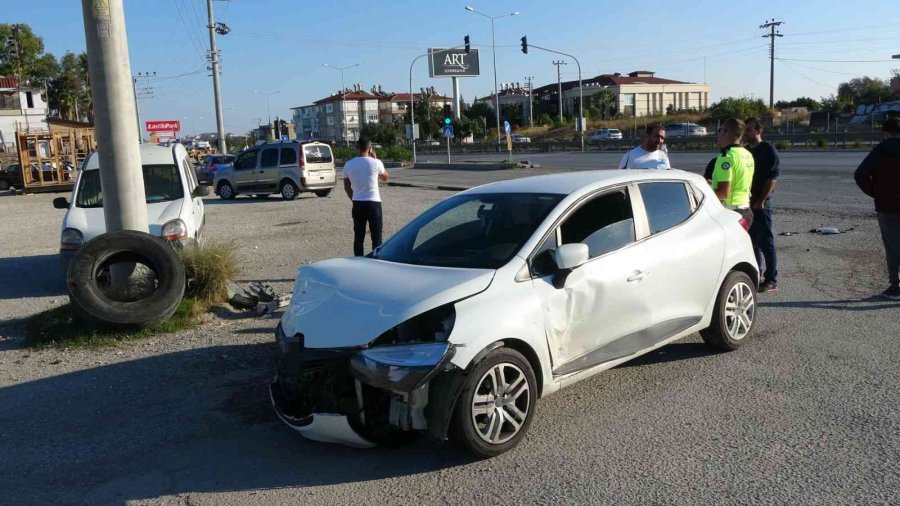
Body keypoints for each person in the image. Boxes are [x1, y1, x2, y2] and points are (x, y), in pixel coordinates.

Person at [854, 118, 900, 300]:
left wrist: (876, 192)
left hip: (887, 205)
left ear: (886, 132)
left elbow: (860, 174)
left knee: (892, 247)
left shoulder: (881, 150)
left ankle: (896, 286)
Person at [744, 117, 781, 292]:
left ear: (758, 131)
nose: (746, 133)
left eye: (749, 130)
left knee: (766, 241)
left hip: (762, 203)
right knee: (752, 241)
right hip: (748, 203)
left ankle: (771, 278)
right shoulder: (745, 151)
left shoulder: (767, 150)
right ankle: (756, 275)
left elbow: (772, 178)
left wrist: (761, 200)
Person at [343, 137, 389, 257]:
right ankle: (376, 261)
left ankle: (359, 263)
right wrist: (375, 158)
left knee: (358, 236)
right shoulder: (376, 163)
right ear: (370, 149)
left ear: (357, 148)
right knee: (376, 236)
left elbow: (347, 187)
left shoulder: (349, 164)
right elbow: (385, 177)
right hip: (374, 203)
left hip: (358, 203)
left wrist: (354, 198)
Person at [710, 118, 755, 228]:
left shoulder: (726, 157)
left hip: (732, 212)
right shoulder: (747, 154)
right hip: (746, 210)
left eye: (719, 130)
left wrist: (705, 192)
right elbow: (741, 183)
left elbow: (723, 193)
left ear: (725, 132)